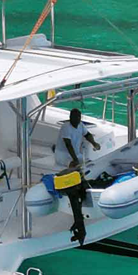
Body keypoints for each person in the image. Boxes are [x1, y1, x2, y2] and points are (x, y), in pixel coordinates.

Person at [56, 104, 91, 245]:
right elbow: (68, 145)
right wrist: (74, 160)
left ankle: (79, 226)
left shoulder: (80, 125)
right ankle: (79, 227)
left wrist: (94, 143)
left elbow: (87, 135)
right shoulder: (66, 128)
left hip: (74, 173)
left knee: (75, 194)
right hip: (64, 156)